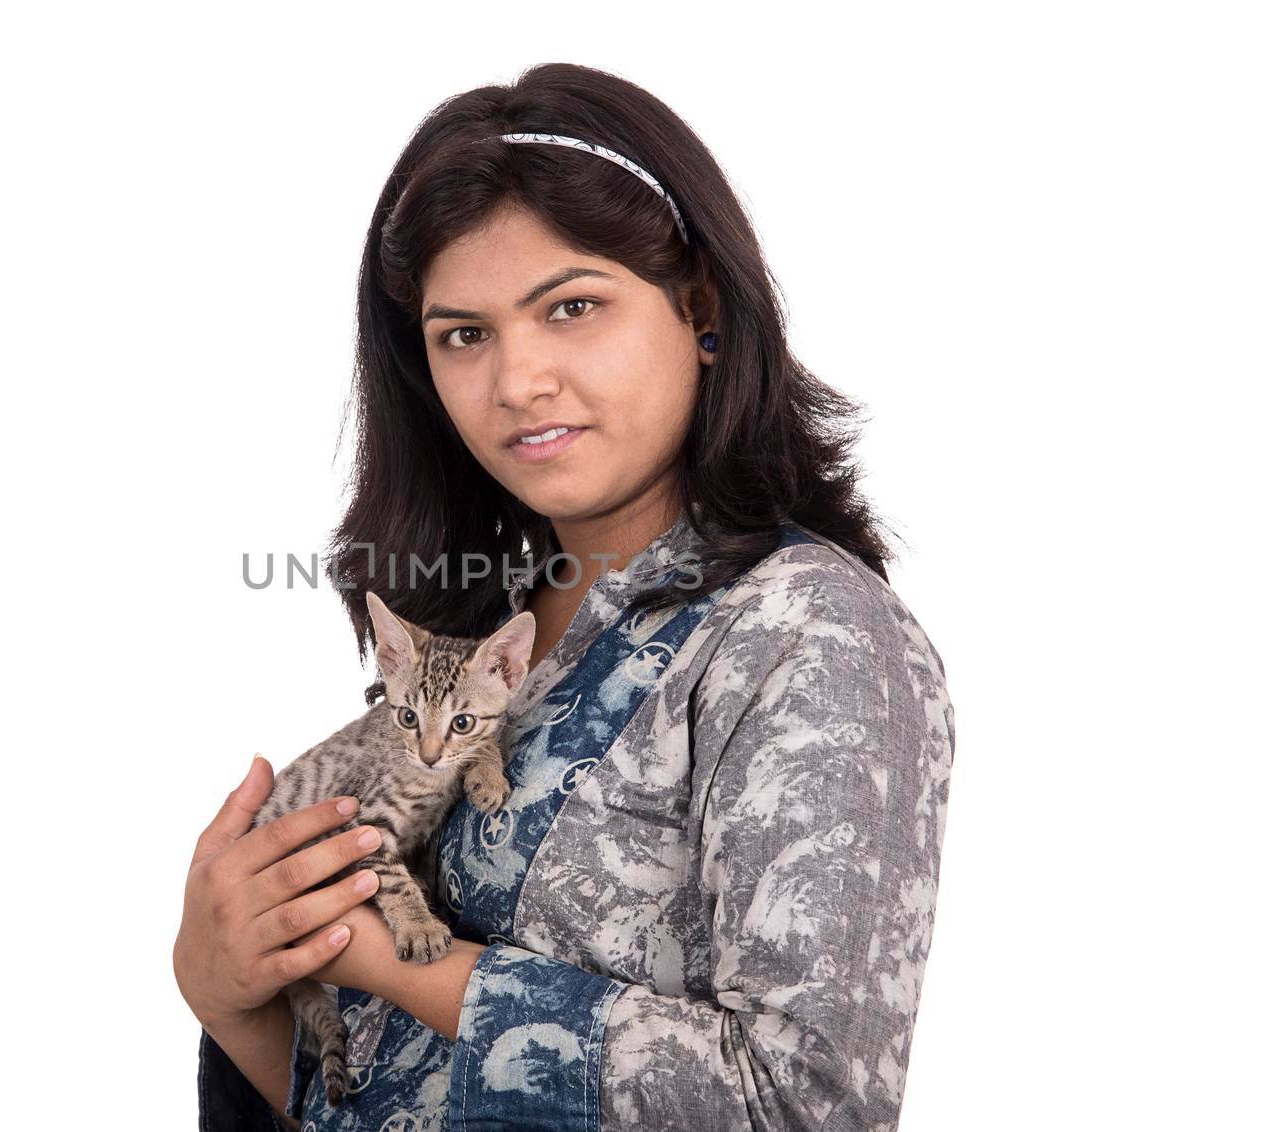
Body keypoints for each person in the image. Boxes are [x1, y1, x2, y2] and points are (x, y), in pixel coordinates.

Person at [173, 62, 956, 1131]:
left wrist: (414, 965)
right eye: (464, 334)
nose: (517, 381)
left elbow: (809, 1105)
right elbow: (369, 1095)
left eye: (572, 306)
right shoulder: (476, 632)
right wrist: (232, 995)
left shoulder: (806, 633)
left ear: (702, 311)